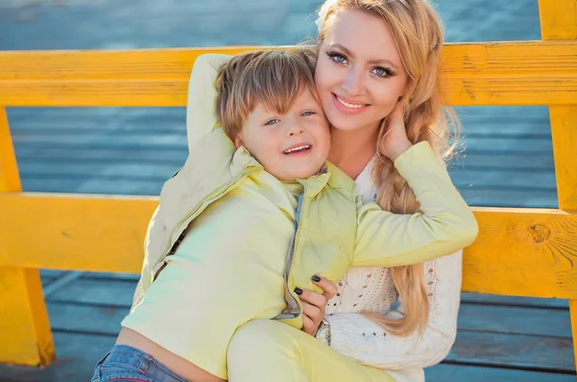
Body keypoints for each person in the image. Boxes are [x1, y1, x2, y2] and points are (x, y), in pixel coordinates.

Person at [91, 47, 477, 382]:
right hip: (137, 369)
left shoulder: (341, 219)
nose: (293, 129)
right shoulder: (228, 165)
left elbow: (453, 227)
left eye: (308, 112)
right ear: (240, 137)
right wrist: (312, 67)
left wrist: (403, 151)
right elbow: (209, 68)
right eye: (272, 120)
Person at [186, 0, 467, 381]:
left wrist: (325, 332)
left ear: (409, 84)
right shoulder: (276, 147)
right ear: (317, 51)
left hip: (361, 372)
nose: (352, 86)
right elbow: (211, 72)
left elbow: (433, 335)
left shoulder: (417, 183)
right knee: (251, 342)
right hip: (257, 363)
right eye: (339, 57)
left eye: (381, 70)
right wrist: (301, 70)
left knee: (258, 341)